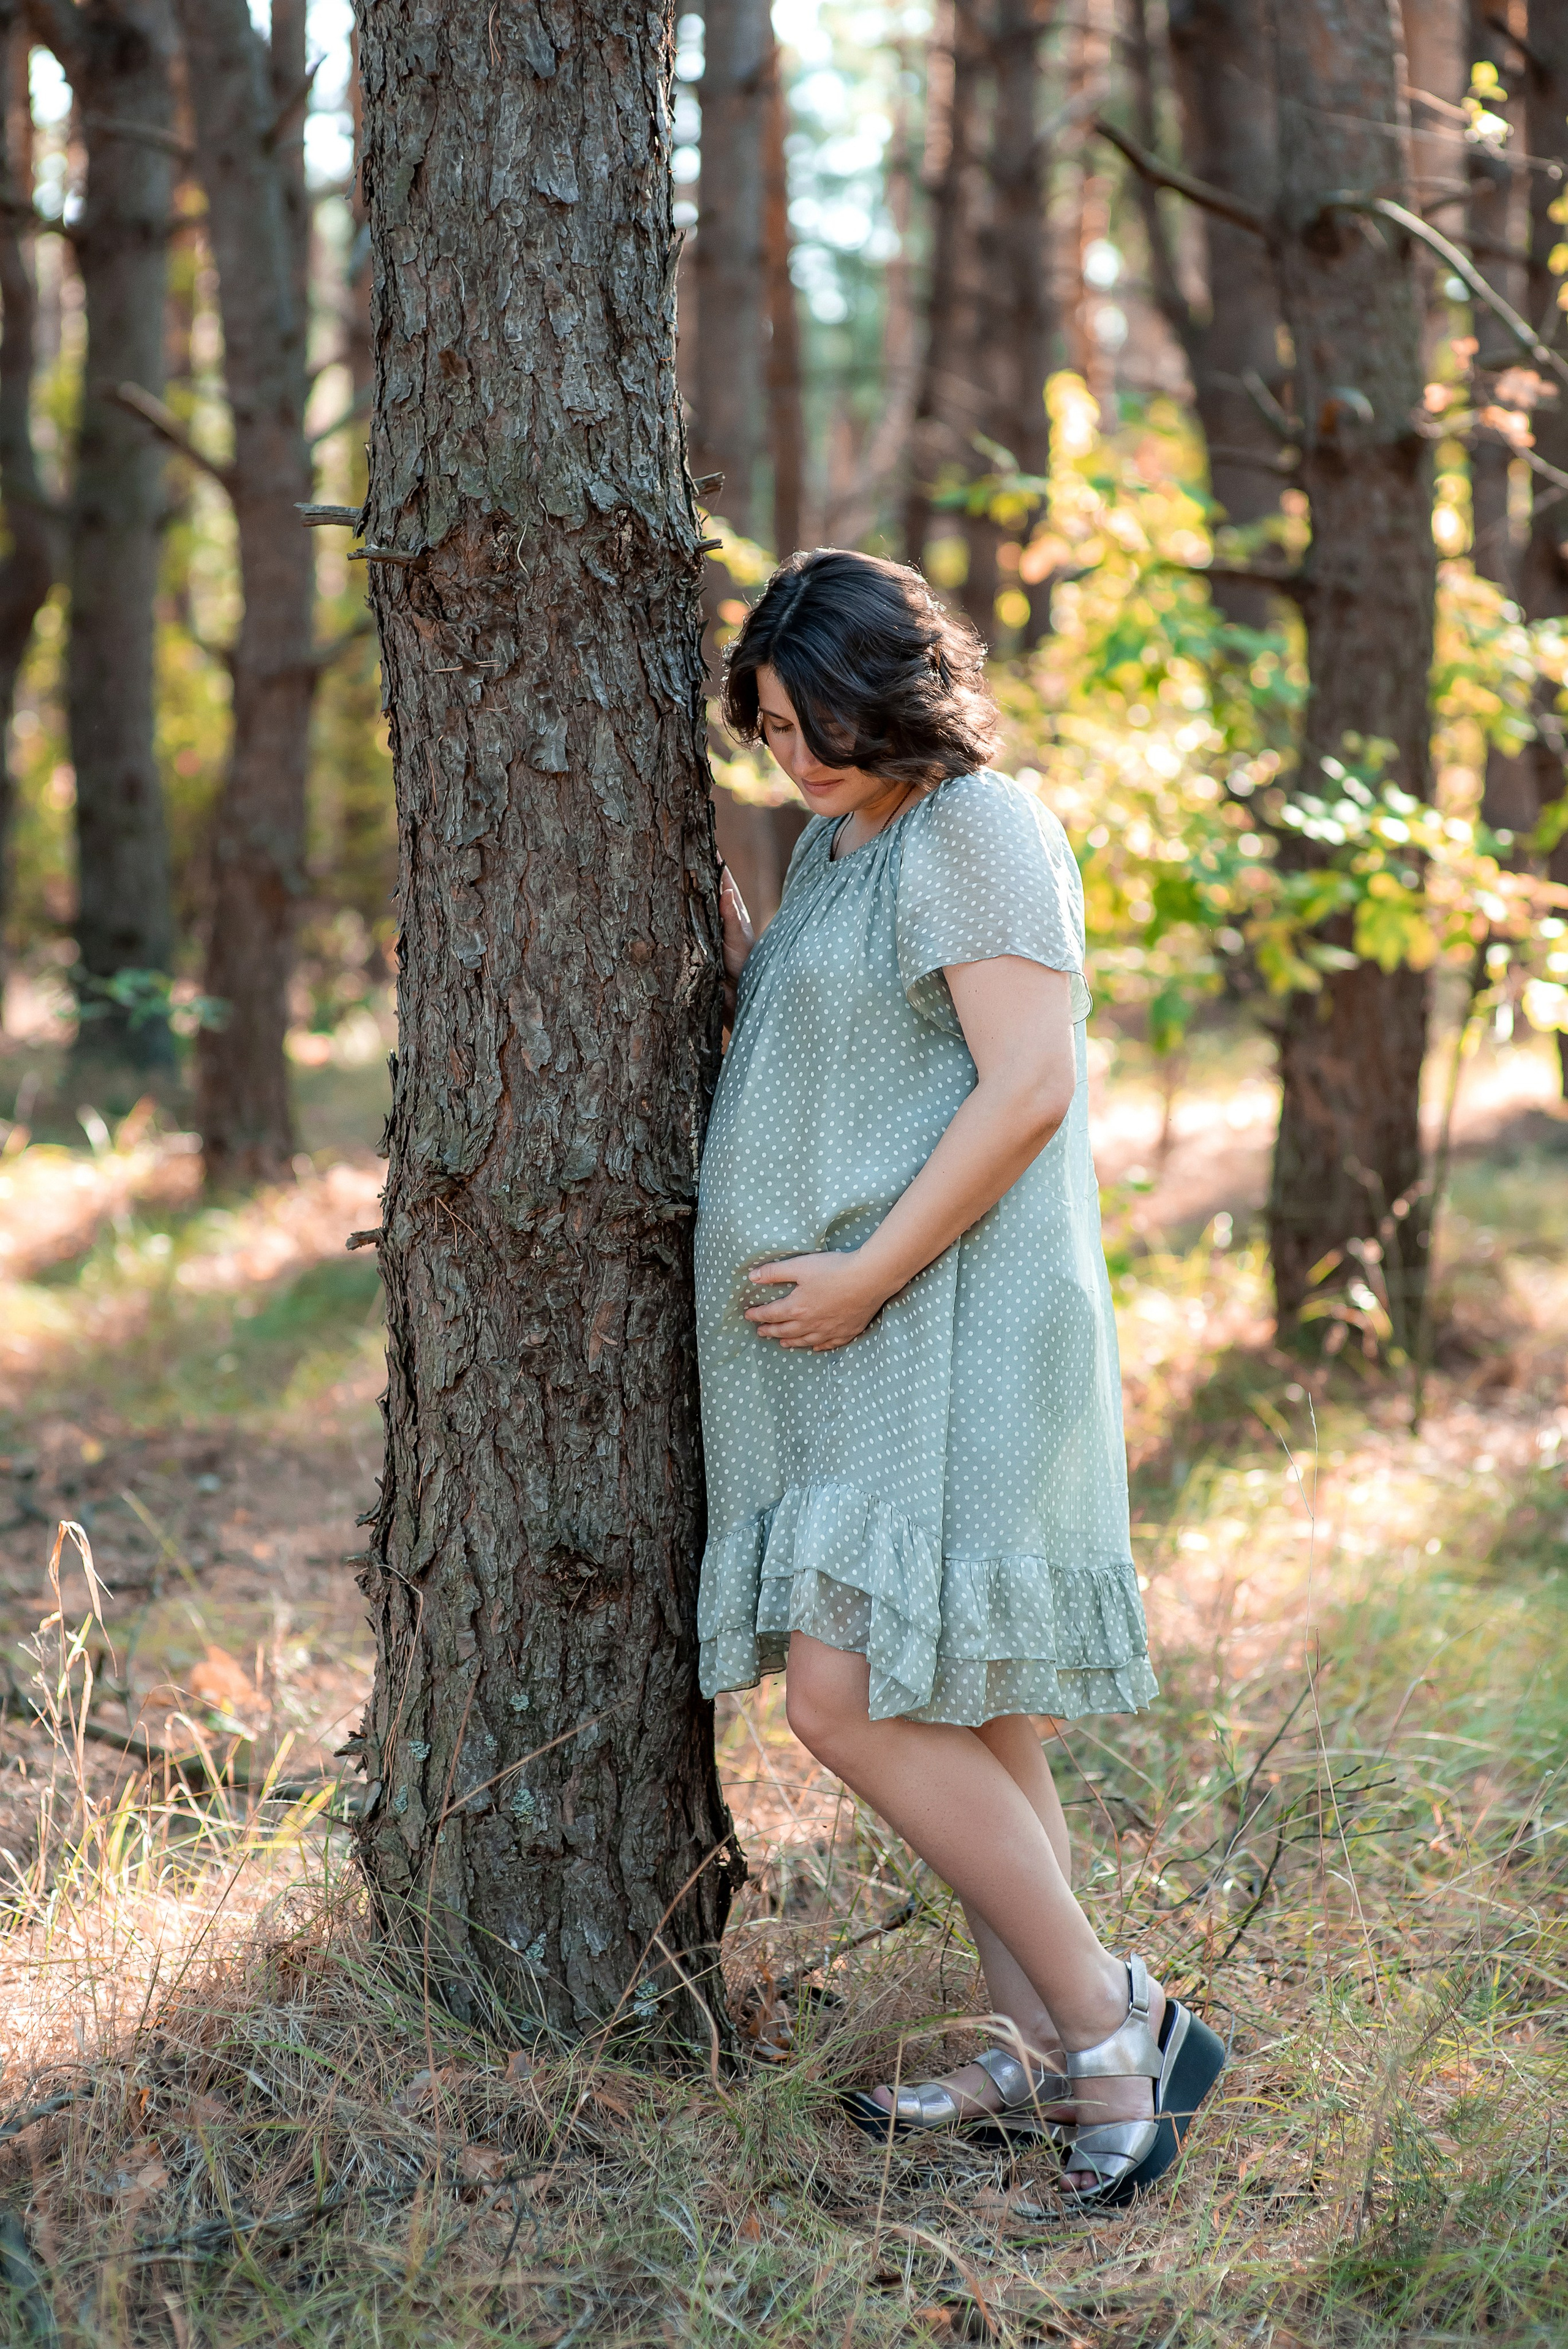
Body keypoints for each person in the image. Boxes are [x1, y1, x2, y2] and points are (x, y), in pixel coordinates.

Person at [693, 548, 1224, 2203]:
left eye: (821, 715)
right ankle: (1036, 2046)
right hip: (866, 1334)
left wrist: (862, 1272)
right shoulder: (839, 844)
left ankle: (1111, 2015)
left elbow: (1028, 1087)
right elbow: (851, 1059)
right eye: (772, 730)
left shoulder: (978, 824)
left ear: (898, 682)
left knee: (841, 1700)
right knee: (977, 1701)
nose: (797, 754)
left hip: (947, 1315)